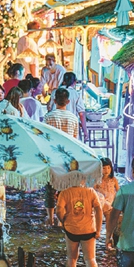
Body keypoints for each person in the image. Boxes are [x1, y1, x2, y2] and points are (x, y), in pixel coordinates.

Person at [56, 184, 103, 267]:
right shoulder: (91, 191)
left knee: (71, 258)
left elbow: (59, 210)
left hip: (71, 229)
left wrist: (63, 221)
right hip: (88, 229)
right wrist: (98, 230)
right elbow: (99, 210)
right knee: (91, 258)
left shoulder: (65, 192)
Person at [43, 88, 80, 227]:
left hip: (52, 158)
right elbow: (75, 139)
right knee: (65, 189)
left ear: (54, 100)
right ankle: (62, 219)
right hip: (68, 158)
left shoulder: (49, 117)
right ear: (68, 101)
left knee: (50, 189)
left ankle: (51, 218)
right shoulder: (73, 118)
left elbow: (45, 138)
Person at [94, 157, 120, 223]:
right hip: (102, 202)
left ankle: (109, 230)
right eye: (104, 168)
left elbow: (119, 192)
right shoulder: (97, 180)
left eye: (109, 168)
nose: (107, 170)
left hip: (111, 202)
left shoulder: (113, 180)